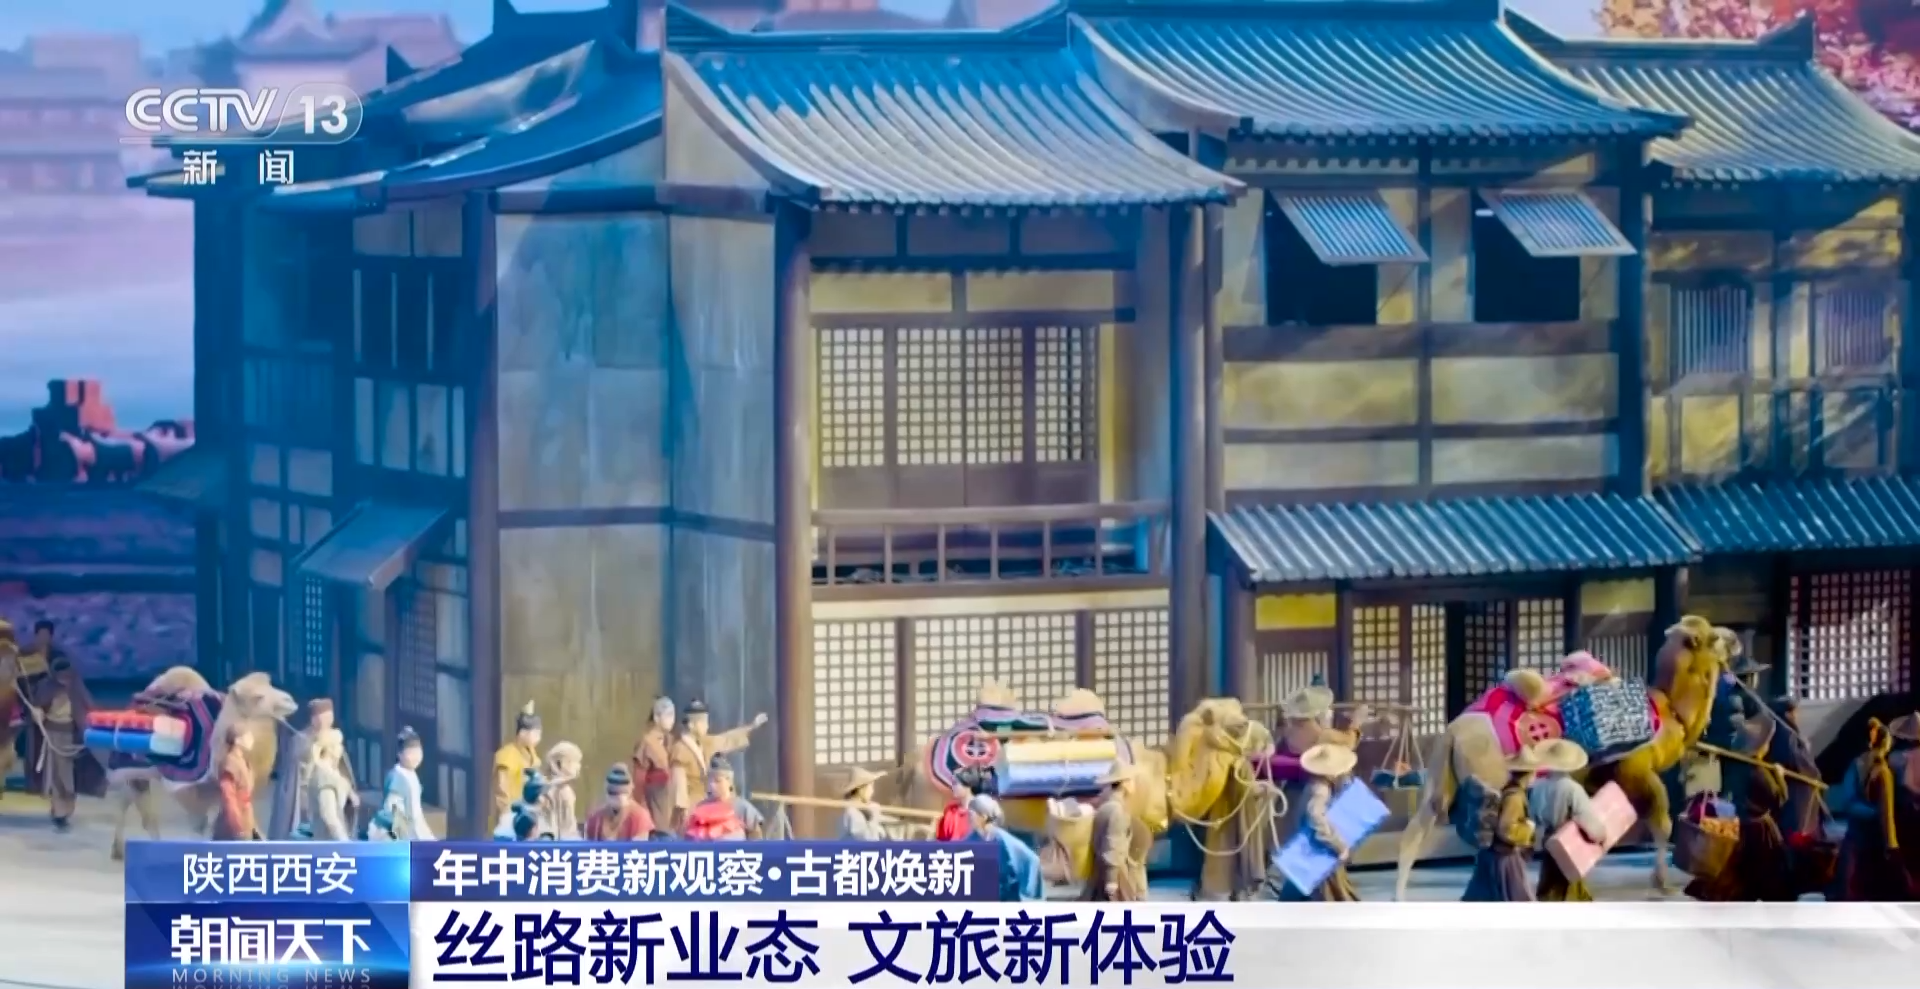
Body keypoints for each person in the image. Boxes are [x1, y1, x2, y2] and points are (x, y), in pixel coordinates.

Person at [1828, 713, 1919, 901]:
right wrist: (1892, 846)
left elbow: (1848, 801)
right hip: (1882, 837)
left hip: (1858, 837)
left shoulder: (1861, 763)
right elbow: (1887, 815)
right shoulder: (1885, 770)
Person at [1686, 762, 1794, 902]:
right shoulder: (1755, 770)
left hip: (1741, 826)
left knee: (1740, 876)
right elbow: (1777, 798)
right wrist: (1779, 777)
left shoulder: (1736, 765)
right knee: (1760, 875)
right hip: (1755, 830)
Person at [1269, 743, 1362, 901]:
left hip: (1311, 849)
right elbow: (1316, 817)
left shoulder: (1315, 784)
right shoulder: (1320, 789)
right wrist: (1337, 844)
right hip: (1316, 850)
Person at [670, 700, 769, 832]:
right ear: (692, 725)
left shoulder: (706, 742)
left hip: (710, 800)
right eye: (703, 722)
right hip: (692, 803)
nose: (707, 726)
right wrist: (683, 808)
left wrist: (751, 726)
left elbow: (726, 739)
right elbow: (679, 784)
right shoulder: (679, 749)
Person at [1526, 739, 1606, 902]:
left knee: (1548, 884)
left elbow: (1532, 815)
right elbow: (1585, 817)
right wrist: (1600, 835)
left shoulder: (1537, 787)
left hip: (1546, 842)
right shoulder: (1572, 788)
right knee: (1569, 887)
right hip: (1568, 843)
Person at [1462, 746, 1540, 902]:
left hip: (1491, 855)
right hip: (1504, 858)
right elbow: (1506, 829)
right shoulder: (1515, 797)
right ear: (1530, 774)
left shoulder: (1507, 789)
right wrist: (1528, 828)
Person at [275, 699, 358, 839]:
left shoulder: (333, 737)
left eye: (329, 717)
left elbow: (340, 770)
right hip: (305, 797)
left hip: (332, 791)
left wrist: (349, 791)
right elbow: (296, 770)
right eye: (322, 718)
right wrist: (314, 745)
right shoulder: (301, 739)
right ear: (313, 719)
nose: (325, 721)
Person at [29, 655, 92, 831]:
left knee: (69, 777)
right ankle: (59, 811)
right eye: (61, 676)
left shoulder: (76, 686)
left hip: (72, 736)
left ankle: (66, 807)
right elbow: (38, 707)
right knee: (56, 774)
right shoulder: (46, 687)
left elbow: (87, 708)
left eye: (67, 675)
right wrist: (37, 713)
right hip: (52, 735)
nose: (64, 679)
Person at [1084, 763, 1142, 901]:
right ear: (1124, 784)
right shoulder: (1117, 811)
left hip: (1100, 872)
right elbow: (1113, 845)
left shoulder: (1107, 807)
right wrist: (1112, 880)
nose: (1134, 784)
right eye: (1132, 780)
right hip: (1116, 874)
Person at [970, 795, 1044, 901]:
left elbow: (1031, 859)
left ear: (984, 816)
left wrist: (1027, 891)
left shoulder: (1003, 839)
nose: (969, 818)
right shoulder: (971, 839)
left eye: (972, 814)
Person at [368, 726, 433, 841]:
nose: (416, 757)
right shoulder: (397, 777)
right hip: (393, 830)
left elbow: (416, 813)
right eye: (410, 753)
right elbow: (393, 811)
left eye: (418, 752)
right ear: (400, 754)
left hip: (411, 824)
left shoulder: (412, 774)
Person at [631, 697, 678, 837]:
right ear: (657, 718)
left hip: (670, 806)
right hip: (652, 809)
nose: (672, 720)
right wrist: (642, 811)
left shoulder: (671, 741)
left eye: (673, 715)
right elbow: (639, 782)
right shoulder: (646, 743)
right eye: (668, 715)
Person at [299, 728, 355, 841]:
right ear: (330, 749)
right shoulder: (324, 777)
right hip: (328, 841)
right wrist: (345, 842)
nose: (341, 748)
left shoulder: (328, 773)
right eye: (339, 745)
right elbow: (330, 817)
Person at [493, 701, 541, 823]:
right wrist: (506, 816)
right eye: (535, 733)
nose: (538, 737)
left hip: (531, 814)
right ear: (522, 733)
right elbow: (502, 791)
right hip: (511, 815)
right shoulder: (506, 755)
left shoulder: (533, 755)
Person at [214, 723, 261, 841]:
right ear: (238, 740)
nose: (251, 739)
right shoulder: (230, 762)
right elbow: (229, 797)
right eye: (248, 736)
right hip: (232, 824)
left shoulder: (243, 761)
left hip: (246, 817)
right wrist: (238, 826)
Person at [683, 758, 748, 841]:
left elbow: (756, 838)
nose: (712, 785)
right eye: (709, 781)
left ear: (729, 782)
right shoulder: (701, 807)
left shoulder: (742, 807)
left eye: (717, 781)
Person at [585, 765, 655, 841]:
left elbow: (639, 847)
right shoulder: (596, 818)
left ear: (629, 793)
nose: (614, 797)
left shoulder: (640, 817)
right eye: (611, 793)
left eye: (619, 793)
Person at [539, 742, 584, 840]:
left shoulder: (545, 785)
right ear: (561, 763)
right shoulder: (563, 791)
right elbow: (567, 829)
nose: (579, 766)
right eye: (576, 762)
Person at [839, 766, 892, 840]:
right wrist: (874, 814)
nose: (872, 791)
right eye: (871, 786)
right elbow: (868, 840)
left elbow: (880, 826)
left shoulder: (862, 809)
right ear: (861, 790)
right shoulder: (852, 811)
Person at [936, 777, 974, 842]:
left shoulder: (979, 813)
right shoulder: (950, 811)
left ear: (968, 785)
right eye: (953, 783)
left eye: (956, 783)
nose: (953, 787)